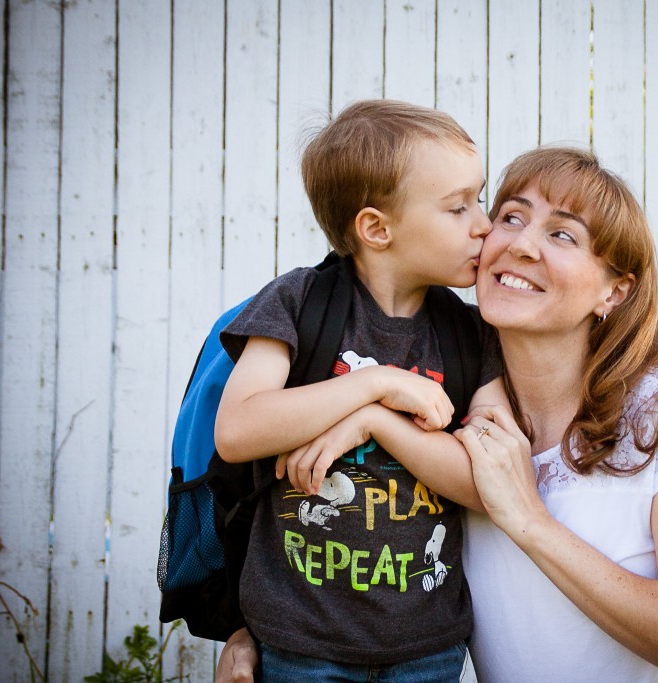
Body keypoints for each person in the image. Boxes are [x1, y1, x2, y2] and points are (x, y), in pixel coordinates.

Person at [217, 146, 658, 682]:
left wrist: (529, 520)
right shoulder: (443, 372)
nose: (520, 244)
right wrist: (254, 634)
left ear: (615, 291)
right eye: (510, 216)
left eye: (562, 234)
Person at [213, 99, 504, 681]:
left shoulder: (471, 333)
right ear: (376, 228)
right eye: (457, 208)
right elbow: (238, 431)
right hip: (299, 644)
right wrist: (378, 383)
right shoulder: (299, 305)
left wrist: (374, 419)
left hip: (427, 648)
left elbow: (487, 485)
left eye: (480, 199)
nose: (483, 224)